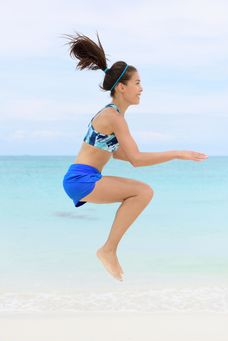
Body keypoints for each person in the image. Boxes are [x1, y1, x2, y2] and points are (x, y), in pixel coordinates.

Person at [62, 31, 208, 282]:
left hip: (81, 178)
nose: (141, 88)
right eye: (137, 83)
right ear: (122, 87)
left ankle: (108, 250)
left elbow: (120, 155)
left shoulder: (113, 115)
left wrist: (159, 155)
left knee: (142, 192)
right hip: (81, 179)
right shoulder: (113, 117)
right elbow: (136, 160)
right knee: (143, 192)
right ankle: (108, 250)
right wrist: (176, 153)